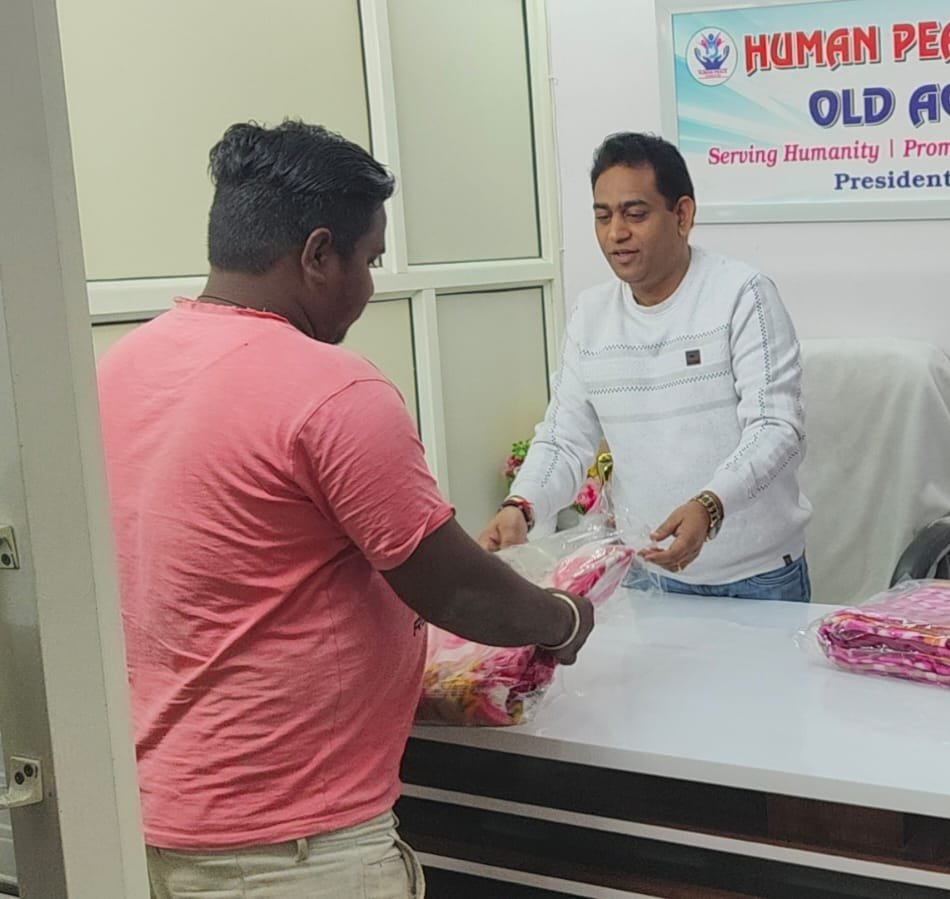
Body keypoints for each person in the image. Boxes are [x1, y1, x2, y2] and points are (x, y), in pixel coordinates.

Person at [97, 120, 595, 899]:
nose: (368, 286)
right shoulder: (333, 390)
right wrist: (560, 618)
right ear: (318, 254)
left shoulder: (120, 368)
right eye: (369, 260)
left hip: (144, 822)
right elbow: (454, 589)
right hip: (291, 850)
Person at [479, 133, 812, 602]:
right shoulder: (591, 316)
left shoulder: (741, 295)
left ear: (682, 215)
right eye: (603, 216)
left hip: (756, 577)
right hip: (646, 573)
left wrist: (710, 506)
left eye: (635, 214)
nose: (616, 233)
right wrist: (522, 505)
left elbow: (776, 428)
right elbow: (564, 437)